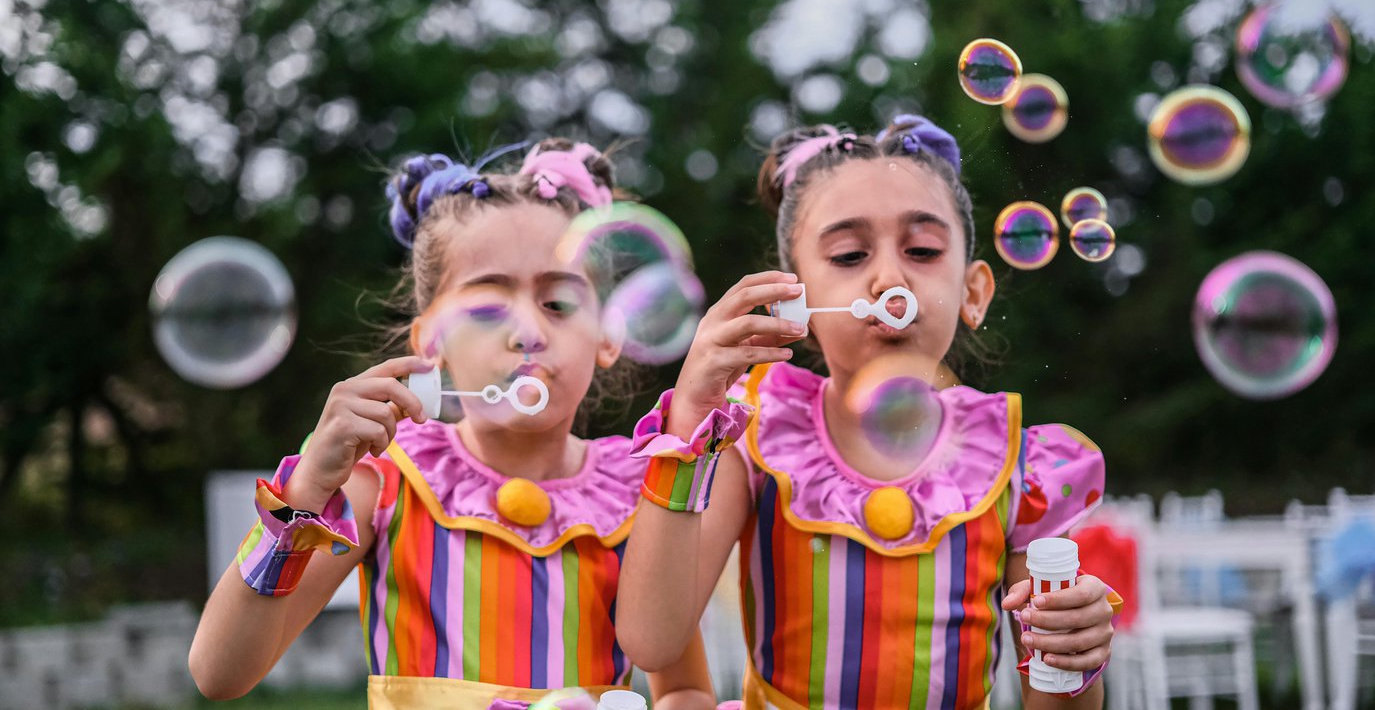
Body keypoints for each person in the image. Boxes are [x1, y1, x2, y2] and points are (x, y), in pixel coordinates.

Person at [190, 139, 715, 710]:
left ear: (609, 334)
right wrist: (308, 490)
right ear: (431, 344)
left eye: (559, 304)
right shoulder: (386, 481)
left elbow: (683, 687)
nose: (527, 332)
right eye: (489, 306)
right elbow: (220, 673)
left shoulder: (644, 490)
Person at [618, 115, 1120, 709]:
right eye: (850, 254)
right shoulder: (751, 432)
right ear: (793, 299)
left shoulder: (1021, 464)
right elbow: (651, 642)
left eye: (924, 250)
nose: (889, 278)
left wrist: (1074, 655)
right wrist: (693, 423)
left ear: (973, 292)